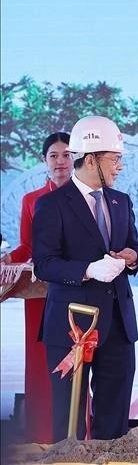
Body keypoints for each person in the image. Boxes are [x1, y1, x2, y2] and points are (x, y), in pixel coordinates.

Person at [32, 115, 138, 441]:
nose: (120, 166)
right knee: (70, 421)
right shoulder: (51, 205)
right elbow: (45, 264)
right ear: (91, 159)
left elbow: (135, 248)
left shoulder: (120, 201)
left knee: (114, 422)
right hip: (73, 326)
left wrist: (133, 258)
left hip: (120, 326)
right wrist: (87, 270)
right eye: (115, 158)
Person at [1, 132, 73, 443]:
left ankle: (74, 435)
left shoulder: (90, 196)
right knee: (41, 365)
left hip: (76, 294)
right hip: (39, 296)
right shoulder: (32, 200)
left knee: (75, 364)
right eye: (54, 155)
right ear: (44, 161)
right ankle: (41, 436)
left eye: (67, 154)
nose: (60, 161)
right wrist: (7, 261)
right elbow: (27, 246)